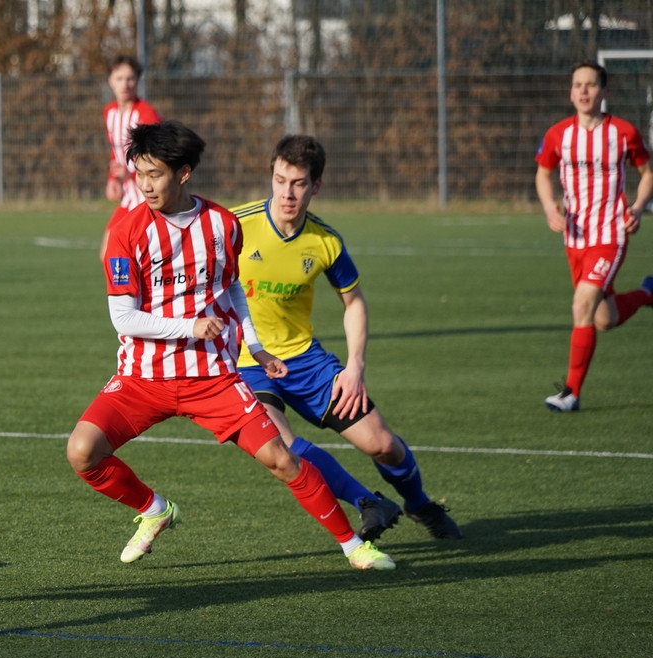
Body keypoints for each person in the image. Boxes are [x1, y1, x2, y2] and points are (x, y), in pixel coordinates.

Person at [66, 121, 395, 570]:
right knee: (82, 451)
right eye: (139, 174)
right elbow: (122, 317)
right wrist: (190, 327)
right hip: (144, 377)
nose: (145, 185)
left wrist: (255, 347)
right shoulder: (126, 233)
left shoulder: (222, 225)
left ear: (183, 173)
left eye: (155, 174)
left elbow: (232, 287)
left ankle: (354, 547)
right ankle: (154, 509)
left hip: (212, 377)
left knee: (281, 457)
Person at [232, 135, 463, 540]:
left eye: (299, 183)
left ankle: (419, 504)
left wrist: (355, 367)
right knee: (281, 447)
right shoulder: (235, 225)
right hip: (245, 364)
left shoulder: (325, 241)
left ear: (316, 185)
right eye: (280, 180)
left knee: (382, 444)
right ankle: (367, 502)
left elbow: (353, 302)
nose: (287, 193)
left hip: (304, 360)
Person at [535, 60, 653, 412]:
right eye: (578, 85)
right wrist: (550, 208)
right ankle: (648, 293)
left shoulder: (623, 132)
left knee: (581, 305)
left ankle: (570, 393)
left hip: (610, 234)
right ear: (571, 94)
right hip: (574, 238)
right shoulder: (558, 135)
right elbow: (543, 173)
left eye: (591, 84)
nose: (584, 90)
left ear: (604, 92)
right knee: (603, 318)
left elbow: (647, 173)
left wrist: (637, 208)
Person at [98, 54, 162, 261]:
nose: (125, 84)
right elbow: (115, 150)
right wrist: (112, 179)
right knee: (109, 254)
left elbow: (159, 161)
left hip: (150, 197)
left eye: (130, 78)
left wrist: (131, 174)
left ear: (137, 81)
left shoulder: (146, 115)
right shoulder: (110, 113)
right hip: (129, 197)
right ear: (110, 81)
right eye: (119, 78)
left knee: (137, 259)